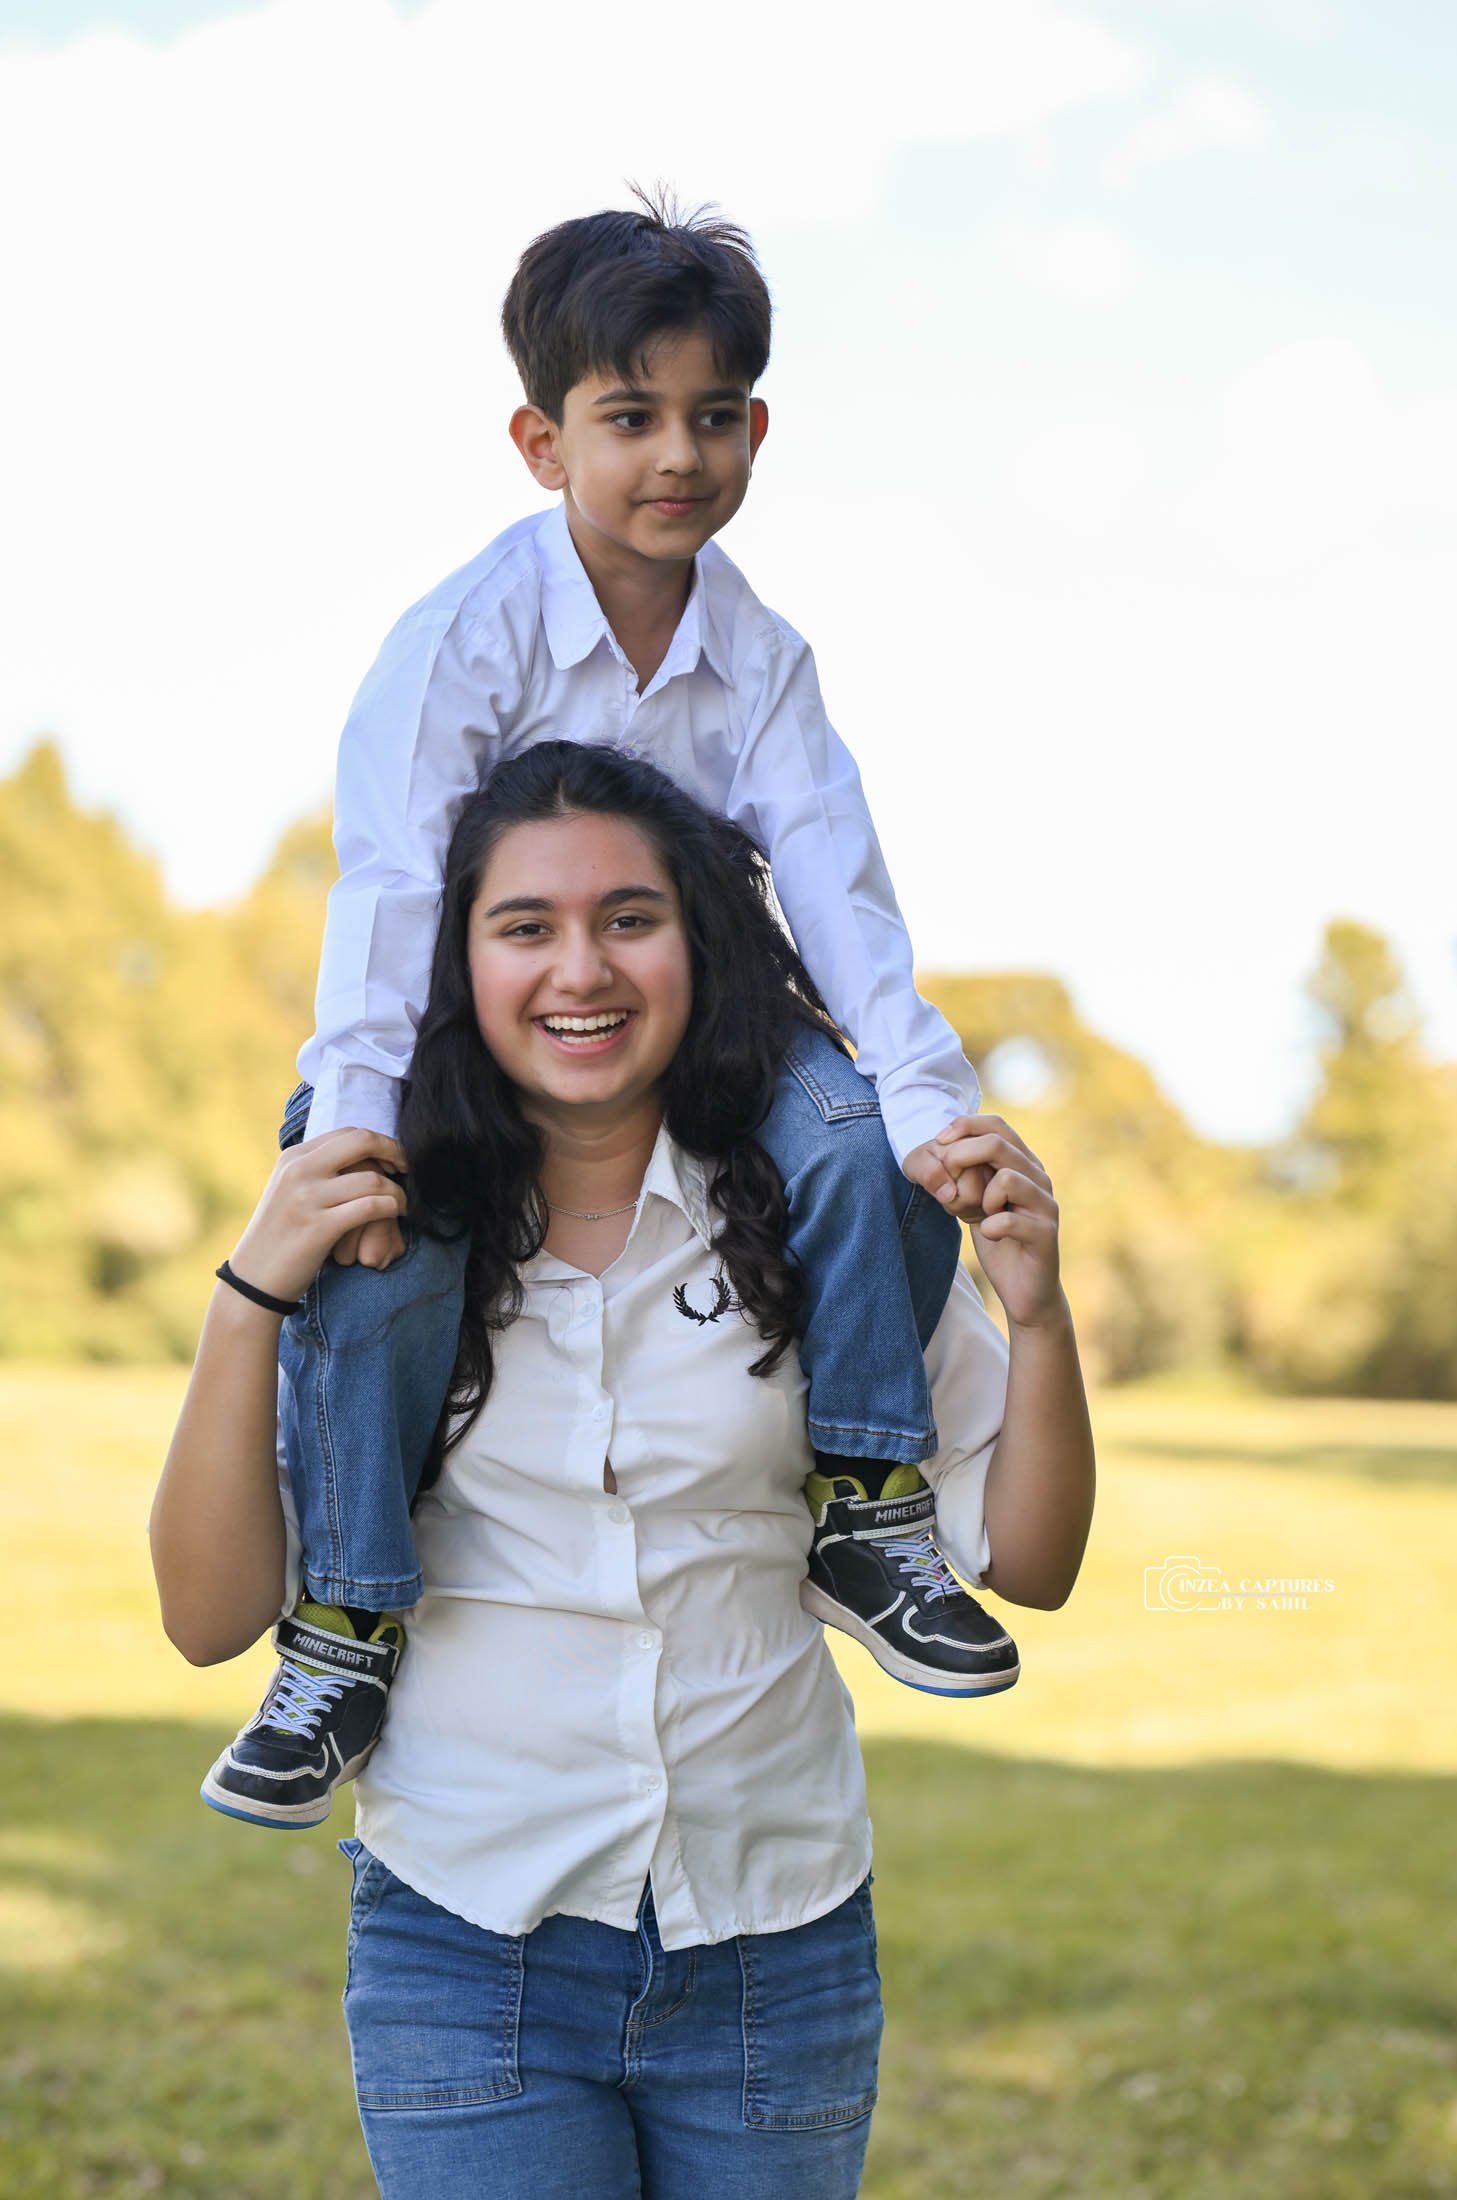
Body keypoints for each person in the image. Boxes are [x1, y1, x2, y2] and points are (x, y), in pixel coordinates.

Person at [151, 744, 1095, 2198]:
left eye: (630, 919)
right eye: (524, 925)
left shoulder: (829, 1218)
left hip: (777, 1945)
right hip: (471, 1946)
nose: (579, 967)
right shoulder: (378, 1254)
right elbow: (208, 1616)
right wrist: (244, 1298)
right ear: (452, 963)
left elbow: (1027, 1564)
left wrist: (1037, 1314)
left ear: (698, 945)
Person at [202, 188, 1016, 1834]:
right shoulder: (463, 639)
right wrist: (358, 1112)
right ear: (539, 437)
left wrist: (931, 1110)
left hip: (712, 1006)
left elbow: (840, 898)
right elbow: (386, 895)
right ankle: (347, 1621)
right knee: (384, 1226)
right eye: (628, 415)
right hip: (469, 1019)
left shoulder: (765, 656)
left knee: (865, 1143)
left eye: (715, 416)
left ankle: (867, 1504)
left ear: (758, 429)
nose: (677, 455)